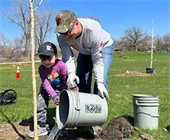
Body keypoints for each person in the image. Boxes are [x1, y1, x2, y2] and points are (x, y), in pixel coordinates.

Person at [55, 10, 114, 137]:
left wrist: (100, 82)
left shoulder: (94, 31)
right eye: (62, 33)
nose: (65, 36)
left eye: (67, 32)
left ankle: (98, 116)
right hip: (84, 51)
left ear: (76, 24)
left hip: (104, 47)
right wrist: (71, 74)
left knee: (101, 80)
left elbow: (98, 61)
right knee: (81, 80)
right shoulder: (61, 36)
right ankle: (86, 122)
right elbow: (67, 57)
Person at [28, 41, 68, 138]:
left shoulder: (61, 65)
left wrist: (60, 94)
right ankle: (41, 126)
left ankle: (61, 127)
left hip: (60, 87)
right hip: (46, 87)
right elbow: (46, 84)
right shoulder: (41, 69)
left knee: (62, 106)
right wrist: (53, 96)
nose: (46, 62)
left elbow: (64, 80)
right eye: (42, 58)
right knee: (40, 103)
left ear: (56, 55)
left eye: (49, 58)